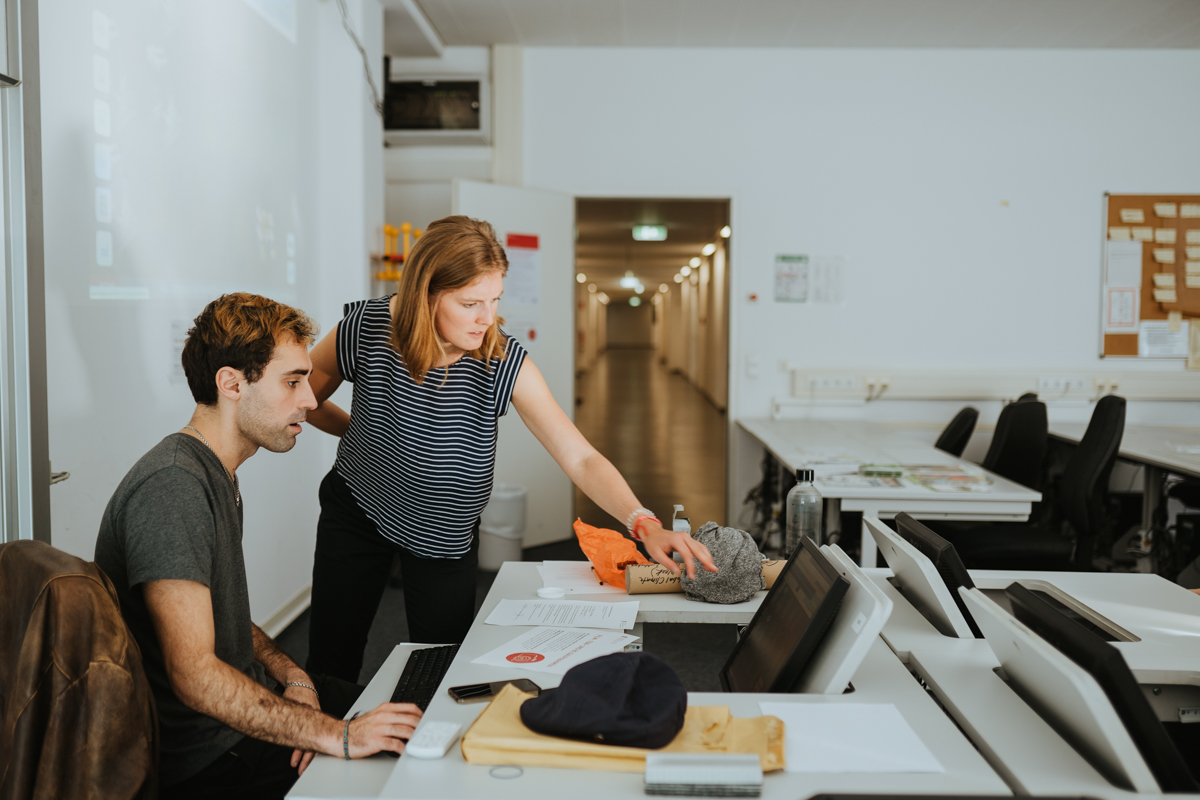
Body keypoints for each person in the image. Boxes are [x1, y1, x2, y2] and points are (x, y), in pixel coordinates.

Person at [304, 215, 718, 683]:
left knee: (442, 670)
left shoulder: (500, 359)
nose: (487, 318)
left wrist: (644, 522)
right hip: (359, 508)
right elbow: (307, 398)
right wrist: (374, 439)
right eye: (470, 303)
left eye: (495, 300)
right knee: (331, 662)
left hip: (446, 531)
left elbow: (579, 456)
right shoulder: (366, 328)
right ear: (426, 294)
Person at [94, 293, 423, 800]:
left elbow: (218, 613)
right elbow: (196, 677)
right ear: (231, 383)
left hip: (247, 713)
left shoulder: (215, 472)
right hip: (214, 757)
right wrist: (336, 735)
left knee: (418, 715)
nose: (311, 401)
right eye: (292, 382)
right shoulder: (173, 487)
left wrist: (294, 675)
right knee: (412, 767)